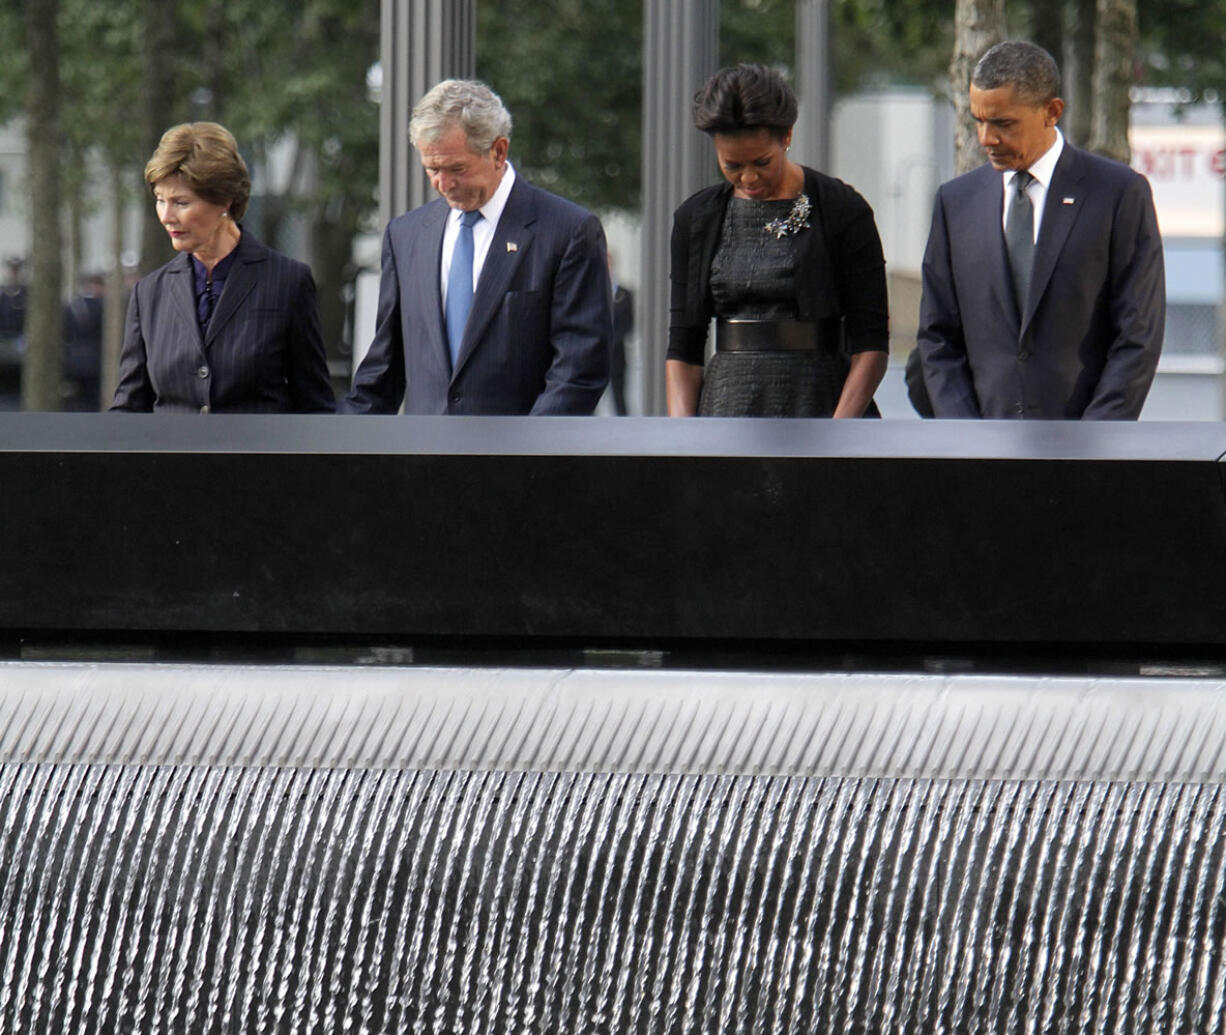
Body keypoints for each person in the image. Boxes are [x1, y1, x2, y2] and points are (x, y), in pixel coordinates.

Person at [916, 40, 1165, 419]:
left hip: (1084, 452)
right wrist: (965, 438)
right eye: (978, 121)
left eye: (1003, 123)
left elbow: (1138, 336)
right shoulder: (956, 202)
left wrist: (1095, 441)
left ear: (1052, 112)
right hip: (979, 455)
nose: (986, 139)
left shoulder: (1116, 194)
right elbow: (937, 339)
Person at [343, 79, 612, 415]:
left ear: (499, 151)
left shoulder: (567, 232)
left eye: (457, 169)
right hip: (424, 460)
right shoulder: (406, 236)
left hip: (520, 459)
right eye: (432, 169)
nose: (444, 184)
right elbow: (384, 368)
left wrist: (523, 459)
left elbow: (578, 369)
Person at [666, 64, 888, 418]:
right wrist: (685, 439)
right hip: (727, 409)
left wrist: (839, 432)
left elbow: (871, 342)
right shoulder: (696, 218)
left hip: (824, 405)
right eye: (732, 165)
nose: (749, 177)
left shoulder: (843, 209)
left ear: (786, 136)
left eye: (762, 161)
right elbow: (684, 346)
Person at [112, 122, 334, 413]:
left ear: (224, 200)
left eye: (181, 202)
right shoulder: (149, 293)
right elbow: (128, 411)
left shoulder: (288, 282)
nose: (166, 216)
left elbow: (314, 406)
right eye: (160, 200)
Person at [608, 251, 634, 415]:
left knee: (619, 398)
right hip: (596, 355)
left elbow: (629, 324)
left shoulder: (625, 294)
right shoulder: (591, 292)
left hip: (617, 355)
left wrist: (612, 341)